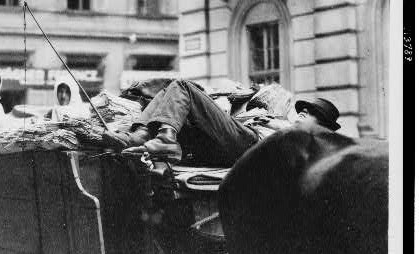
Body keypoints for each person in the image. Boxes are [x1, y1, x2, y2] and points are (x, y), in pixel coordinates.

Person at [104, 79, 341, 166]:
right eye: (303, 109)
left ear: (320, 126)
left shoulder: (307, 140)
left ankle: (165, 138)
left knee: (183, 87)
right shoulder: (285, 123)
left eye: (309, 113)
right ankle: (140, 135)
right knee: (169, 90)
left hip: (249, 146)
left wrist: (282, 127)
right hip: (228, 145)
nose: (302, 113)